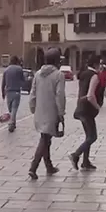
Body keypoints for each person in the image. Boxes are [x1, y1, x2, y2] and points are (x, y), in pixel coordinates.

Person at [28, 48, 66, 180]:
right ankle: (33, 167)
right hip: (51, 111)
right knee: (44, 140)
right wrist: (61, 112)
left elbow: (32, 93)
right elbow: (59, 95)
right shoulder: (58, 75)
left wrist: (33, 108)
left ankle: (49, 166)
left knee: (46, 139)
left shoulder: (38, 74)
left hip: (39, 111)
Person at [69, 54, 104, 171]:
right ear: (95, 64)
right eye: (100, 63)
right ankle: (75, 155)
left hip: (81, 108)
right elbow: (90, 95)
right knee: (93, 136)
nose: (101, 66)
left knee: (88, 136)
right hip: (87, 110)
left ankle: (85, 161)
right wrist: (98, 107)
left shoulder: (83, 74)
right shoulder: (94, 76)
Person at [1, 55, 24, 132]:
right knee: (14, 109)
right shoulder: (19, 69)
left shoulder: (6, 70)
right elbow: (23, 80)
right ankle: (11, 124)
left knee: (11, 109)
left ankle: (13, 123)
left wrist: (2, 93)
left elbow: (3, 83)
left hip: (8, 93)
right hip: (16, 91)